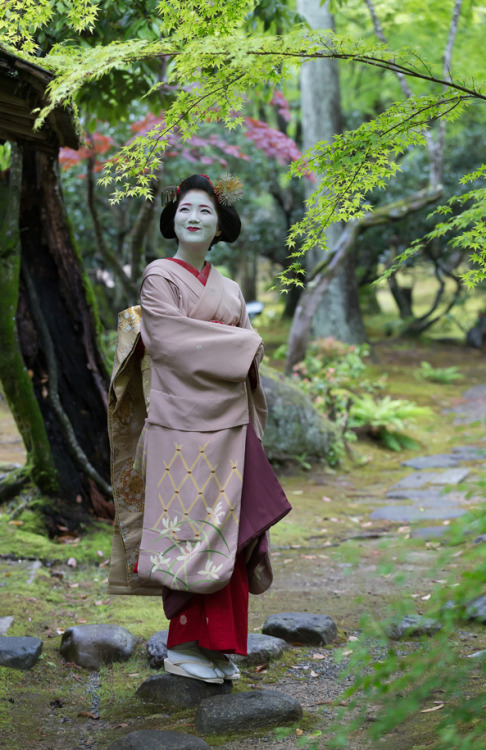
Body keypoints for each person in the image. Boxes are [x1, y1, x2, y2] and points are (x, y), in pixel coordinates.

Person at [108, 174, 291, 685]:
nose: (194, 216)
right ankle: (183, 645)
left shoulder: (229, 287)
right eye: (186, 208)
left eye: (205, 211)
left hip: (230, 423)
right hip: (180, 427)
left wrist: (241, 344)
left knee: (231, 532)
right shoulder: (159, 277)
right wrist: (238, 344)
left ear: (218, 228)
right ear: (174, 221)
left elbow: (245, 343)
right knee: (189, 531)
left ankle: (218, 645)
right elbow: (168, 340)